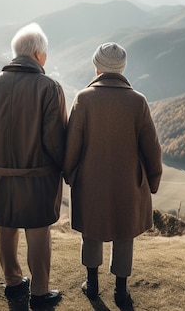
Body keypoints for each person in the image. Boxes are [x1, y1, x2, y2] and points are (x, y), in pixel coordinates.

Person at [0, 23, 66, 309]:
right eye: (45, 52)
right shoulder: (49, 88)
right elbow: (55, 140)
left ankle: (13, 284)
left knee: (6, 228)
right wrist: (63, 168)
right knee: (38, 233)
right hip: (38, 178)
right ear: (38, 54)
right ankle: (40, 292)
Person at [63, 42, 163, 308]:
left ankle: (92, 284)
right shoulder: (137, 101)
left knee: (91, 230)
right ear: (122, 68)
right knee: (124, 233)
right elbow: (151, 146)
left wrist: (70, 173)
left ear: (97, 66)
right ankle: (121, 291)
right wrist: (152, 180)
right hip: (128, 181)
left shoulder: (84, 98)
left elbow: (73, 142)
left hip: (90, 179)